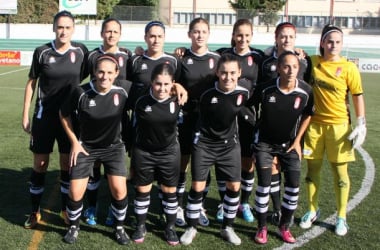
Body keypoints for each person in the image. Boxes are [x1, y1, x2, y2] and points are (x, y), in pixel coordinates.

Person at [22, 10, 88, 229]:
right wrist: (25, 114)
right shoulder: (42, 52)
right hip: (44, 118)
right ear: (53, 28)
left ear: (73, 30)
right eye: (60, 27)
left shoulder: (81, 51)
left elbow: (93, 73)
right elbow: (32, 82)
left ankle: (64, 210)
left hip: (70, 119)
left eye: (68, 27)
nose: (63, 31)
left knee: (66, 165)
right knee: (40, 164)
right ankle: (34, 211)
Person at [299, 24, 366, 236]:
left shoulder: (349, 68)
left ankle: (341, 216)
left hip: (339, 127)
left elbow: (357, 95)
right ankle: (312, 210)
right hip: (315, 127)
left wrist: (361, 122)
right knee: (312, 172)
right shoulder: (313, 62)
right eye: (329, 41)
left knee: (340, 173)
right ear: (322, 43)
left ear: (342, 44)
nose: (333, 45)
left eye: (337, 42)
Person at [60, 54, 130, 245]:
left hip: (113, 147)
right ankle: (73, 226)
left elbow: (153, 90)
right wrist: (74, 141)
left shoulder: (124, 90)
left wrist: (177, 86)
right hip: (86, 148)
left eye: (109, 72)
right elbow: (63, 114)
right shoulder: (80, 92)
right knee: (75, 192)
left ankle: (119, 227)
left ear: (116, 73)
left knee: (119, 190)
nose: (104, 76)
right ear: (94, 72)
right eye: (100, 71)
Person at [180, 54, 249, 246]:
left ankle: (227, 227)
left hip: (229, 146)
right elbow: (184, 94)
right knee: (197, 187)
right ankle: (191, 227)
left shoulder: (245, 92)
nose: (228, 77)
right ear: (217, 72)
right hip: (204, 144)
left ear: (239, 73)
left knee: (234, 186)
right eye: (224, 72)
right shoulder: (205, 92)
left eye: (233, 73)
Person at [127, 20, 186, 224]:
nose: (155, 40)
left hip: (165, 124)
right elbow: (127, 85)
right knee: (138, 175)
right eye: (152, 36)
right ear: (145, 38)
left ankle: (166, 211)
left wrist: (178, 85)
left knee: (167, 177)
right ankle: (132, 213)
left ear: (164, 38)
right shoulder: (135, 61)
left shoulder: (174, 61)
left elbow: (176, 85)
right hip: (140, 126)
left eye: (159, 36)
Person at [252, 51, 314, 244]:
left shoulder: (305, 91)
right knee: (263, 186)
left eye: (294, 67)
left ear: (299, 68)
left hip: (289, 146)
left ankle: (284, 226)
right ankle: (261, 227)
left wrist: (297, 141)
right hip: (264, 145)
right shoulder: (265, 89)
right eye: (286, 66)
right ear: (278, 68)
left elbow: (308, 114)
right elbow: (248, 105)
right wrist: (255, 131)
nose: (290, 70)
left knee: (293, 187)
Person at [82, 17, 133, 227]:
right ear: (102, 33)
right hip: (95, 119)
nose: (111, 35)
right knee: (93, 168)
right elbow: (80, 83)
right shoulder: (92, 55)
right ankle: (92, 206)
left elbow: (137, 83)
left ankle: (115, 211)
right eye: (108, 31)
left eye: (115, 32)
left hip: (120, 119)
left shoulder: (128, 55)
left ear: (120, 35)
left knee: (116, 171)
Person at [260, 21, 311, 225]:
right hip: (270, 128)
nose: (286, 39)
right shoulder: (265, 61)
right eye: (282, 36)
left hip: (293, 128)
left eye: (290, 36)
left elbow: (308, 93)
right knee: (272, 167)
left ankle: (283, 211)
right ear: (276, 37)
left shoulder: (304, 62)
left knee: (289, 170)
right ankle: (276, 208)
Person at [215, 18, 263, 223]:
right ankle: (223, 202)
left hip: (247, 118)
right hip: (224, 117)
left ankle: (243, 203)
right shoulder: (222, 54)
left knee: (246, 162)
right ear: (233, 35)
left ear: (251, 36)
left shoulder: (259, 57)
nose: (242, 39)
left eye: (246, 35)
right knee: (221, 160)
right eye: (239, 34)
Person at [175, 17, 220, 228]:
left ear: (208, 34)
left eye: (203, 31)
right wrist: (177, 86)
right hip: (186, 117)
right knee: (182, 163)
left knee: (203, 165)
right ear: (189, 34)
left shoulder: (217, 58)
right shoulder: (181, 58)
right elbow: (170, 81)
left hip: (209, 119)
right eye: (196, 31)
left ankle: (199, 204)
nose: (199, 35)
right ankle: (178, 206)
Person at [131, 63, 183, 246]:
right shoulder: (140, 101)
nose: (162, 88)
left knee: (170, 191)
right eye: (158, 84)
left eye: (166, 84)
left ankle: (169, 228)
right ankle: (140, 225)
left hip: (169, 153)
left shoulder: (178, 100)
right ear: (151, 83)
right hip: (144, 152)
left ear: (173, 84)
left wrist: (180, 88)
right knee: (142, 190)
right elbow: (133, 126)